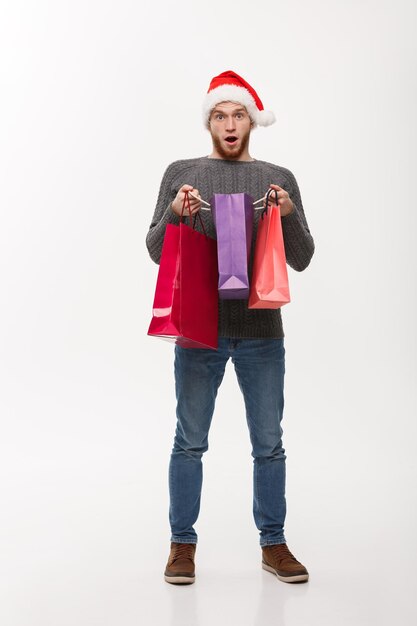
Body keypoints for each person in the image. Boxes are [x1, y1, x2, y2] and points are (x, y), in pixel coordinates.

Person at [146, 70, 315, 585]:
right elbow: (156, 250)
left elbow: (303, 257)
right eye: (220, 115)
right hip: (200, 330)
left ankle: (274, 543)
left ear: (251, 120)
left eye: (238, 114)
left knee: (269, 443)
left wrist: (285, 213)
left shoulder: (278, 177)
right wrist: (176, 212)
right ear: (209, 122)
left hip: (263, 332)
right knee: (190, 440)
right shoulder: (182, 172)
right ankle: (182, 545)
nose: (230, 123)